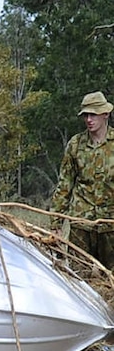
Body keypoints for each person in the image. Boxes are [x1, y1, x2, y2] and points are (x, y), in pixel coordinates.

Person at [50, 91, 114, 268]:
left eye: (93, 114)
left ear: (105, 114)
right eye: (85, 115)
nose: (89, 119)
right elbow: (65, 184)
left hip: (110, 224)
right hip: (81, 224)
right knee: (81, 278)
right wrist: (56, 222)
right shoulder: (75, 144)